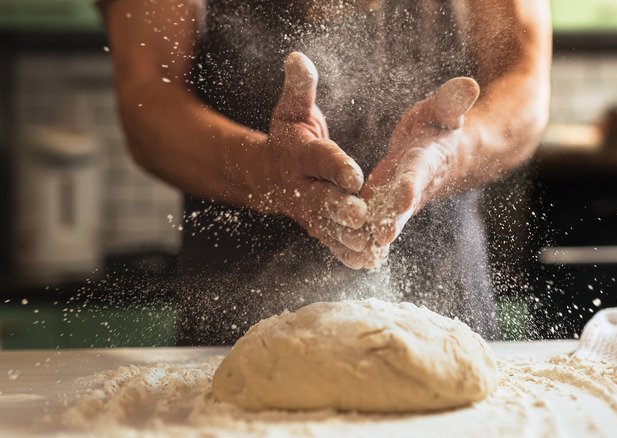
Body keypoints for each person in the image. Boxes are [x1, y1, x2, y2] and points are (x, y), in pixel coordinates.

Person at [98, 0, 551, 344]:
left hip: (445, 301)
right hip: (235, 318)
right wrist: (267, 172)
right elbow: (147, 104)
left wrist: (449, 153)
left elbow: (524, 84)